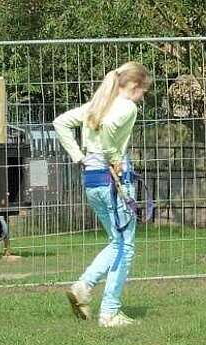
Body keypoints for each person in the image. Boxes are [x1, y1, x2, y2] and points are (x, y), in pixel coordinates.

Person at [53, 61, 152, 327]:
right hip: (113, 180)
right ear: (133, 86)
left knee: (116, 241)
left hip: (91, 179)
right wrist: (114, 159)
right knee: (126, 246)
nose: (142, 97)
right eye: (143, 91)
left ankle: (84, 287)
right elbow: (108, 128)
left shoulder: (97, 104)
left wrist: (79, 157)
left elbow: (60, 122)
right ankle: (109, 312)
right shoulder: (127, 106)